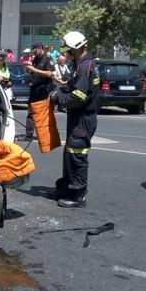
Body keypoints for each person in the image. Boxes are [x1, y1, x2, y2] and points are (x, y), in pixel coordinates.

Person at [50, 31, 99, 208]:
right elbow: (73, 86)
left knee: (77, 155)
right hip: (78, 117)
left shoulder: (85, 67)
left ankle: (78, 195)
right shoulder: (83, 65)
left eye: (68, 50)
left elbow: (78, 96)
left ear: (75, 49)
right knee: (70, 154)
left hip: (83, 118)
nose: (66, 54)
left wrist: (59, 99)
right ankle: (66, 188)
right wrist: (61, 89)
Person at [24, 42, 55, 140]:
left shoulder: (48, 59)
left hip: (43, 90)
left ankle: (43, 135)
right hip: (34, 89)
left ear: (40, 48)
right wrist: (29, 71)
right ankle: (29, 134)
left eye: (35, 50)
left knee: (42, 113)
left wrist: (34, 70)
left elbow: (50, 74)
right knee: (30, 112)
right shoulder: (36, 59)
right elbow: (34, 72)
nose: (34, 53)